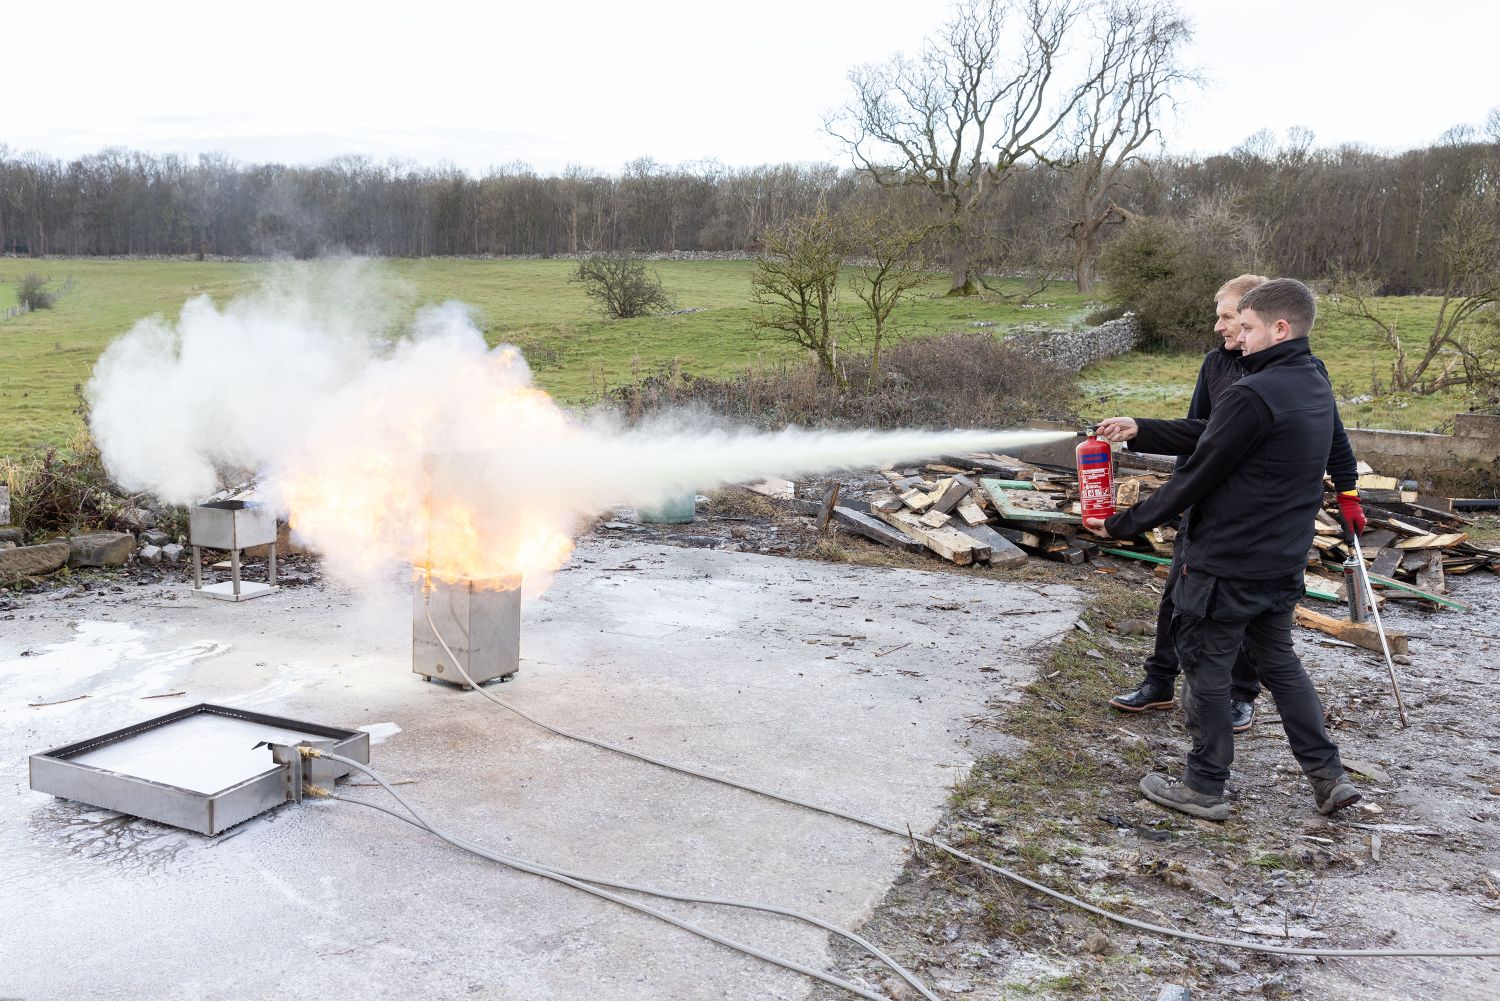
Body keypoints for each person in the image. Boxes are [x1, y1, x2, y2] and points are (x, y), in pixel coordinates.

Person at [1084, 278, 1361, 821]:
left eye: (1247, 327)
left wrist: (1122, 524)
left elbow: (1195, 478)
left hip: (1224, 563)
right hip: (1282, 559)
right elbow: (1334, 447)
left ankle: (1203, 785)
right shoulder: (1312, 380)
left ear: (1279, 328)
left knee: (1206, 668)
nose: (1237, 337)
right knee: (1280, 663)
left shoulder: (1251, 395)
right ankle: (1329, 777)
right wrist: (1349, 491)